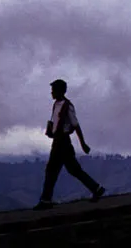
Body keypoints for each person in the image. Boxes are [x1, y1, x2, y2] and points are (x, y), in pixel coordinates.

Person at [34, 79, 105, 210]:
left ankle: (46, 200)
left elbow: (76, 125)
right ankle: (96, 188)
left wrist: (83, 143)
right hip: (59, 141)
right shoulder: (56, 105)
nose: (51, 92)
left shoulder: (68, 106)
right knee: (71, 170)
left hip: (63, 143)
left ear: (60, 91)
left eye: (53, 90)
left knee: (53, 170)